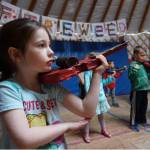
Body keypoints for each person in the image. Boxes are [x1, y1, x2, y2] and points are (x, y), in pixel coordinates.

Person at [0, 18, 109, 149]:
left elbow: (87, 110)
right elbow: (25, 139)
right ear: (16, 54)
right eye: (41, 45)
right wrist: (66, 126)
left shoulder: (50, 87)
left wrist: (97, 74)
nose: (51, 51)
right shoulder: (7, 90)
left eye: (49, 45)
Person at [79, 53, 112, 143]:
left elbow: (101, 84)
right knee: (88, 117)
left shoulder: (99, 71)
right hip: (92, 99)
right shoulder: (88, 72)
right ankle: (86, 134)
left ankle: (103, 130)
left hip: (101, 98)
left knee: (101, 116)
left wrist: (111, 79)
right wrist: (91, 98)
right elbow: (87, 86)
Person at [128, 46, 150, 132]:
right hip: (137, 90)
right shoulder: (133, 65)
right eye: (142, 55)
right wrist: (134, 71)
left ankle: (142, 121)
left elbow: (147, 76)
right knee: (135, 107)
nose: (144, 57)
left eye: (144, 55)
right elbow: (130, 76)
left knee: (143, 106)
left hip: (145, 89)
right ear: (135, 55)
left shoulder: (144, 65)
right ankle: (134, 123)